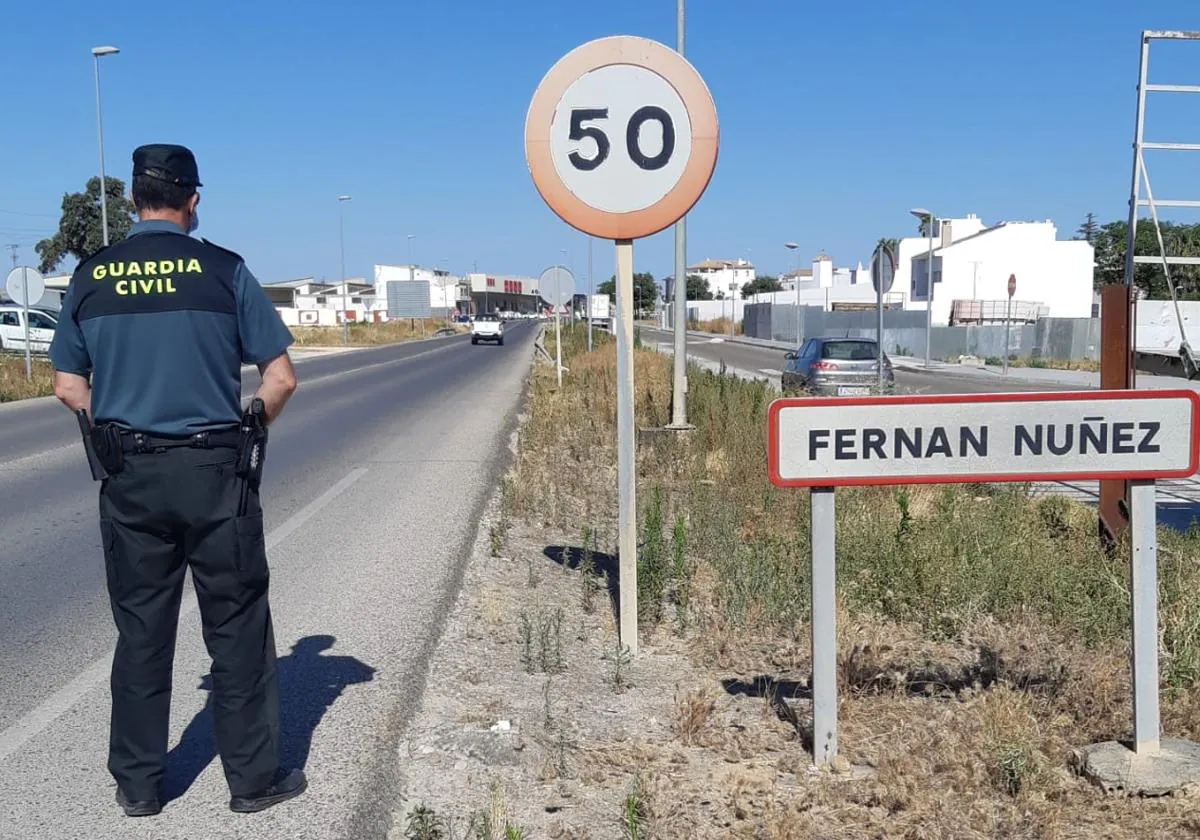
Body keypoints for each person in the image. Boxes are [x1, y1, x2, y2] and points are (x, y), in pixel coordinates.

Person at [48, 143, 305, 817]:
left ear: (134, 198)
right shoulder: (223, 271)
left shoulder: (93, 276)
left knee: (141, 634)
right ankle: (251, 783)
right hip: (217, 471)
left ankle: (138, 789)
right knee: (238, 627)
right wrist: (256, 420)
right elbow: (281, 378)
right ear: (191, 199)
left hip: (130, 473)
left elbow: (67, 384)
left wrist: (107, 423)